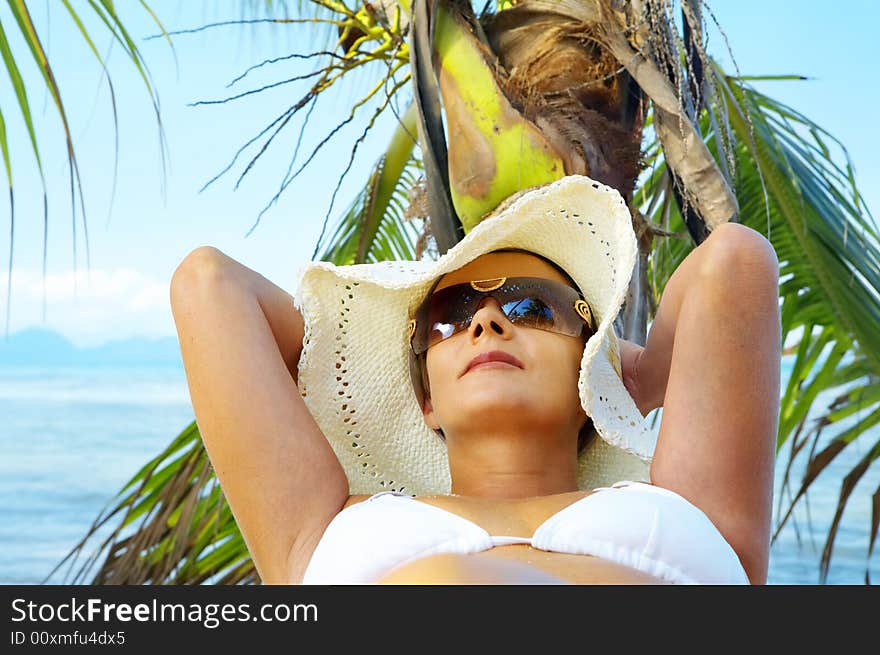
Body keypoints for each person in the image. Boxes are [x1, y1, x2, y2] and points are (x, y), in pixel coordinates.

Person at [170, 175, 781, 585]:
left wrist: (625, 378)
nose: (485, 320)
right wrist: (352, 353)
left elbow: (732, 261)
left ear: (587, 376)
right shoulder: (318, 525)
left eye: (531, 308)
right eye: (450, 319)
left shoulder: (691, 505)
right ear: (427, 401)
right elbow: (209, 284)